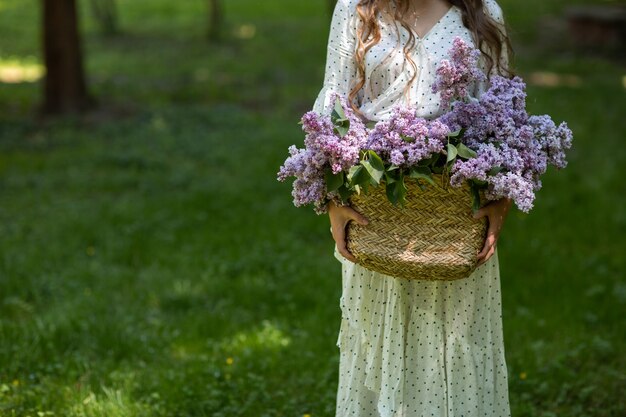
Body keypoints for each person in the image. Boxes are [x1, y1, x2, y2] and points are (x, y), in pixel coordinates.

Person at [312, 0, 515, 416]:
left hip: (454, 218)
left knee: (455, 349)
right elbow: (333, 104)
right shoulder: (355, 8)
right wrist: (332, 199)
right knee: (380, 348)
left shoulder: (481, 11)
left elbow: (506, 110)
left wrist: (502, 197)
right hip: (378, 215)